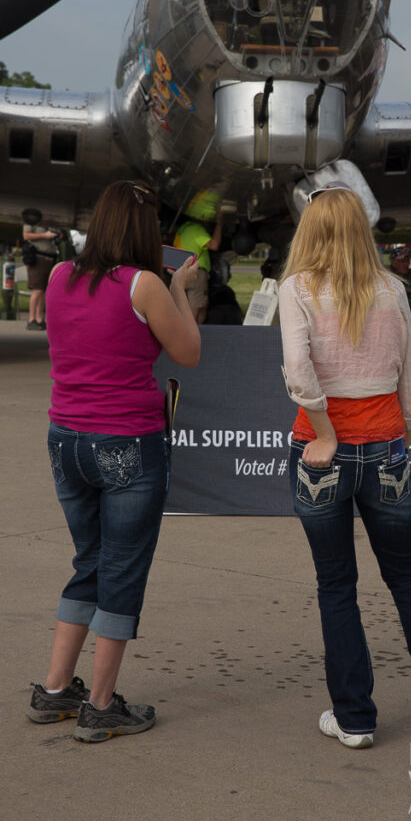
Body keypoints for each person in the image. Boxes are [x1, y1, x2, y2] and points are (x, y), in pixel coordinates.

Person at [278, 184, 411, 750]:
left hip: (319, 450)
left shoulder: (297, 289)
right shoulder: (392, 289)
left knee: (335, 585)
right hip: (386, 445)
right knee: (407, 574)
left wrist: (323, 433)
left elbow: (299, 372)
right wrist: (396, 437)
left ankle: (355, 718)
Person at [27, 180, 201, 742]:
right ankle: (101, 704)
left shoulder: (58, 277)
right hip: (126, 441)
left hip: (65, 438)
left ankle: (56, 688)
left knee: (91, 559)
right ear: (145, 231)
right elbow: (189, 352)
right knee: (123, 569)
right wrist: (181, 290)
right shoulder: (145, 284)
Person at [173, 203, 223, 324]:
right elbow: (214, 245)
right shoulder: (197, 229)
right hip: (196, 273)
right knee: (196, 307)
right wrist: (220, 223)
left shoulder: (183, 229)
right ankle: (193, 335)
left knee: (185, 306)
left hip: (181, 272)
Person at [21, 208, 61, 330]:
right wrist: (45, 235)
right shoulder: (32, 221)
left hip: (49, 258)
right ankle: (31, 319)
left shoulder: (51, 224)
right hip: (37, 257)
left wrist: (57, 234)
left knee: (44, 290)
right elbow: (26, 235)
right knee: (37, 289)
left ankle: (39, 319)